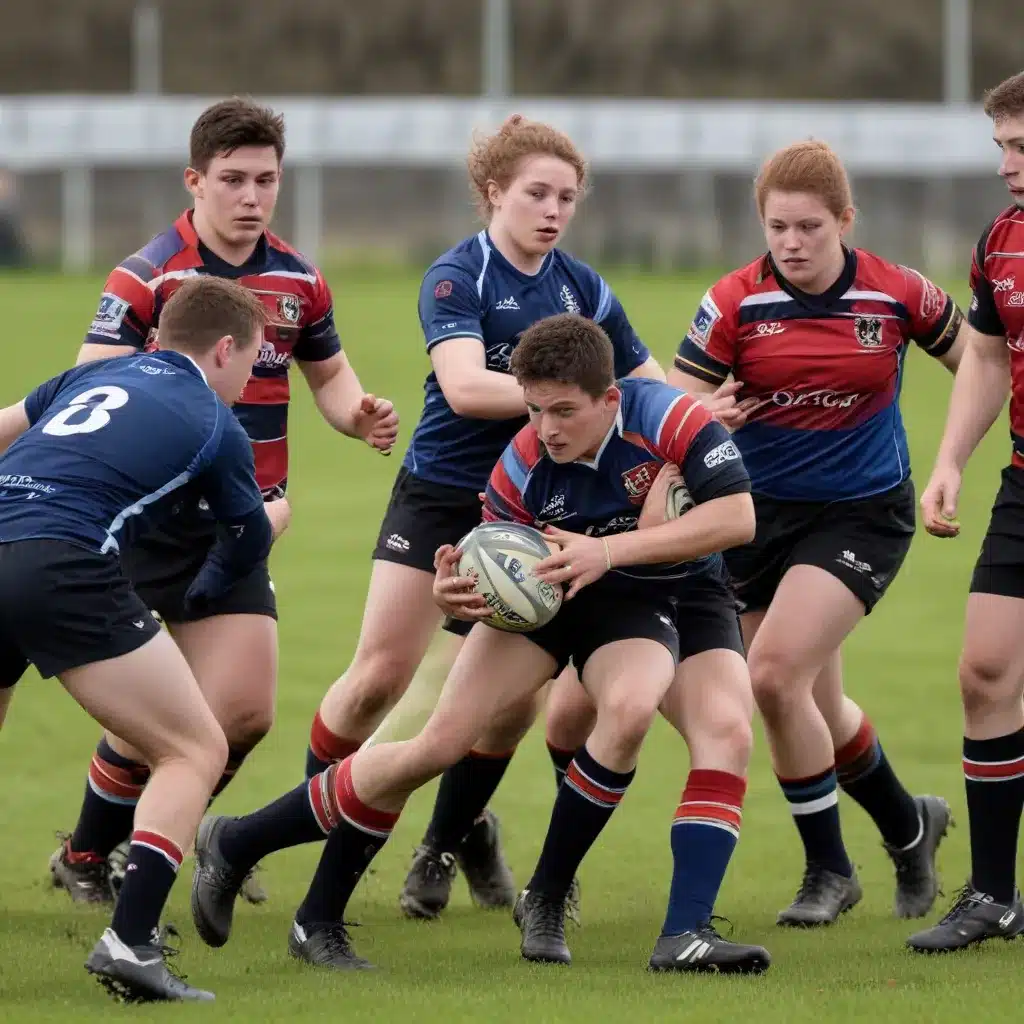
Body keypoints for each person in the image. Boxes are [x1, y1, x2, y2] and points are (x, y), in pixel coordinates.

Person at [190, 313, 769, 974]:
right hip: (551, 603)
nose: (546, 427)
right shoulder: (520, 466)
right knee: (435, 746)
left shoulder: (669, 419)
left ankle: (592, 907)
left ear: (611, 399)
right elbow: (491, 570)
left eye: (564, 411)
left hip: (648, 597)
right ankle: (246, 847)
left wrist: (605, 552)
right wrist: (456, 593)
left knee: (651, 711)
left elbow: (738, 517)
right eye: (533, 409)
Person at [297, 113, 668, 922]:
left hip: (539, 502)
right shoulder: (456, 276)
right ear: (494, 191)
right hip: (441, 494)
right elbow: (465, 388)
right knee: (377, 682)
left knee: (507, 704)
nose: (554, 210)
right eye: (537, 192)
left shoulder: (581, 285)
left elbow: (647, 381)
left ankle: (443, 843)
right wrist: (589, 401)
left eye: (567, 197)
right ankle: (314, 820)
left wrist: (700, 417)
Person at [49, 96, 398, 906]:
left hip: (245, 523)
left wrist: (357, 414)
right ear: (194, 180)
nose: (251, 195)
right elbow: (90, 373)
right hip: (146, 518)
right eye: (233, 179)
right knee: (153, 713)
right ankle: (97, 856)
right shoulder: (148, 275)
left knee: (240, 714)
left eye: (266, 180)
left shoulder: (299, 279)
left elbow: (328, 376)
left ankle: (151, 845)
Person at [664, 140, 965, 927]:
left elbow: (985, 361)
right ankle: (909, 825)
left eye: (809, 227)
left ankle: (829, 869)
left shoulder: (898, 294)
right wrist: (703, 419)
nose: (791, 243)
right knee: (813, 703)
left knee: (772, 678)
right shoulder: (734, 302)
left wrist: (951, 464)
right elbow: (670, 408)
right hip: (754, 519)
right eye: (776, 227)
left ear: (845, 221)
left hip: (862, 512)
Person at [0, 276, 272, 1002]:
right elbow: (246, 542)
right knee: (194, 747)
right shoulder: (217, 424)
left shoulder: (95, 373)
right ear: (223, 350)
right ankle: (131, 944)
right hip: (59, 562)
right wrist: (203, 592)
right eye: (253, 362)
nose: (250, 380)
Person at [908, 71, 1024, 953]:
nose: (1006, 165)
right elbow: (985, 354)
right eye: (1001, 146)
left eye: (1019, 146)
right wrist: (951, 460)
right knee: (985, 673)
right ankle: (992, 896)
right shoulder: (1003, 239)